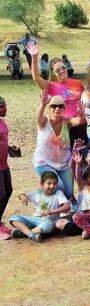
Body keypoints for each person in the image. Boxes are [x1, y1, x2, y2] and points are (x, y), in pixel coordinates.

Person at [26, 42, 87, 147]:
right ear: (53, 72)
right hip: (64, 126)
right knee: (68, 158)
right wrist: (34, 56)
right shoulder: (51, 86)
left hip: (82, 123)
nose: (62, 71)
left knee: (84, 156)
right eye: (58, 70)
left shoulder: (78, 83)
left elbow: (87, 100)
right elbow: (36, 77)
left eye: (63, 68)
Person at [33, 92, 86, 205]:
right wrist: (42, 104)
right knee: (59, 186)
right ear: (49, 108)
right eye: (54, 106)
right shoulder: (44, 122)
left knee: (69, 193)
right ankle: (50, 208)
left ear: (64, 108)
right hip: (44, 163)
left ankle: (71, 211)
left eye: (60, 106)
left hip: (63, 164)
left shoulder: (66, 122)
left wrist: (81, 115)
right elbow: (38, 117)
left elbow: (79, 121)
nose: (57, 108)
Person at [9, 171, 70, 242]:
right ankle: (31, 234)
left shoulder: (58, 193)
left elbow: (67, 206)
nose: (52, 186)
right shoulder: (38, 192)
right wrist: (23, 197)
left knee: (48, 225)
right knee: (14, 217)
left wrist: (51, 212)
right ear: (42, 184)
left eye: (55, 184)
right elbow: (21, 194)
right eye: (49, 183)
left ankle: (24, 233)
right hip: (34, 219)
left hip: (48, 222)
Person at [0, 97, 21, 240]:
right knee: (0, 194)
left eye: (5, 106)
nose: (5, 109)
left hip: (4, 163)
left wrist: (9, 149)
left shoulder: (1, 121)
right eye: (1, 107)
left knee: (8, 190)